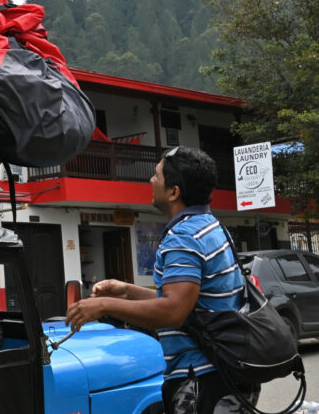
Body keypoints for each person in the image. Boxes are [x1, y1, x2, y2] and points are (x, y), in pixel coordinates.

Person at [65, 146, 260, 413]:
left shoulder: (184, 236)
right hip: (224, 373)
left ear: (173, 192)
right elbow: (189, 304)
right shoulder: (213, 227)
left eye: (156, 175)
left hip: (203, 380)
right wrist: (127, 291)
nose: (150, 181)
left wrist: (103, 306)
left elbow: (174, 311)